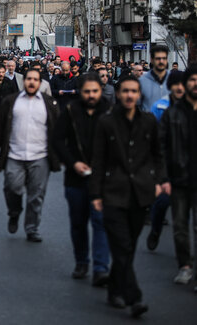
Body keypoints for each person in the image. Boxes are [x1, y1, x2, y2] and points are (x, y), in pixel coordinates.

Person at [90, 75, 165, 318]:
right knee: (121, 245)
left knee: (129, 246)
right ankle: (135, 297)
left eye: (134, 91)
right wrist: (96, 193)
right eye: (125, 91)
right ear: (119, 94)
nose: (130, 95)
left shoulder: (149, 121)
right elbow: (98, 160)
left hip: (140, 193)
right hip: (113, 192)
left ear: (139, 94)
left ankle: (114, 287)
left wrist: (157, 181)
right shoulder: (107, 122)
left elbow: (158, 155)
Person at [0, 68, 60, 242]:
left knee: (36, 195)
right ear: (24, 81)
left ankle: (32, 228)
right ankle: (14, 212)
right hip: (14, 154)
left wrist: (60, 155)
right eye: (29, 79)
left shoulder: (49, 103)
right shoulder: (11, 101)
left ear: (40, 83)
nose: (32, 82)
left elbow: (57, 130)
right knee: (11, 187)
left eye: (36, 79)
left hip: (40, 156)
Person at [53, 73, 110, 285]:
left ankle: (101, 267)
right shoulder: (70, 111)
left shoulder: (109, 111)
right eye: (87, 91)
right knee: (78, 222)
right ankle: (81, 261)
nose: (91, 95)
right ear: (80, 92)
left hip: (102, 178)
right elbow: (58, 140)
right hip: (75, 177)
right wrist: (73, 163)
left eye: (95, 91)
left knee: (100, 222)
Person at [159, 64, 197, 290]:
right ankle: (185, 266)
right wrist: (164, 178)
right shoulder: (171, 114)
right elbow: (161, 148)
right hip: (179, 179)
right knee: (180, 227)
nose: (195, 84)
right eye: (191, 80)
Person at [145, 69, 185, 252]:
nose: (180, 88)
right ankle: (155, 229)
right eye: (176, 84)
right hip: (166, 162)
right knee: (162, 202)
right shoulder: (161, 107)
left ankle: (185, 258)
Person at [140, 46, 169, 112]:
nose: (161, 61)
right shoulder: (142, 81)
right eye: (158, 58)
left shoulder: (174, 80)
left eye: (164, 58)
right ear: (151, 60)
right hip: (148, 120)